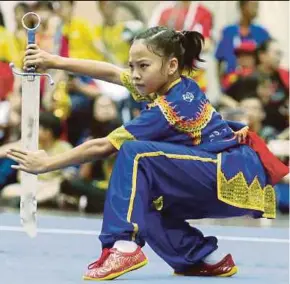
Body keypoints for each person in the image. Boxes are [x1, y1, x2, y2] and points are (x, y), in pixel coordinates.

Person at [7, 26, 288, 281]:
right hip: (219, 176)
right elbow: (110, 72)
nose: (135, 73)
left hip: (228, 174)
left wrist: (47, 163)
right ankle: (203, 256)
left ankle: (122, 246)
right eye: (133, 66)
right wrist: (54, 61)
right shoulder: (166, 86)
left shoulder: (172, 107)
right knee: (142, 200)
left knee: (134, 153)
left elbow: (103, 146)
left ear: (171, 65)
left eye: (143, 65)